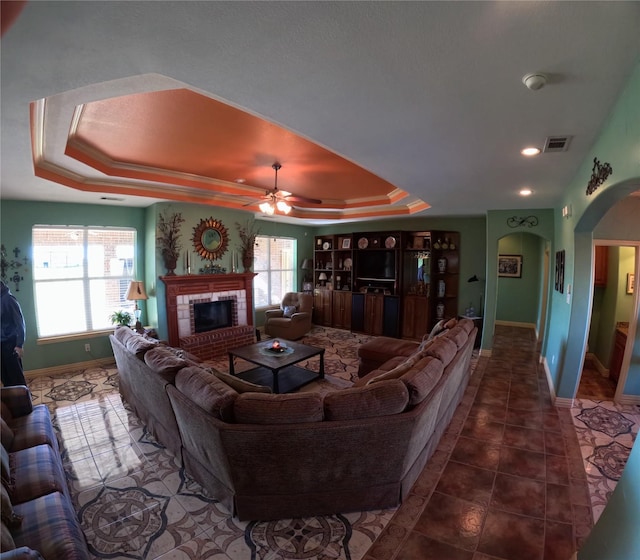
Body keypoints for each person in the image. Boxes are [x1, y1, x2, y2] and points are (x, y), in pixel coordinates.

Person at [1, 280, 27, 386]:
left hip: (10, 345)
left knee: (16, 378)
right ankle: (11, 401)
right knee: (5, 377)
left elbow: (20, 323)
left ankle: (23, 401)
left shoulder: (9, 299)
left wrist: (19, 345)